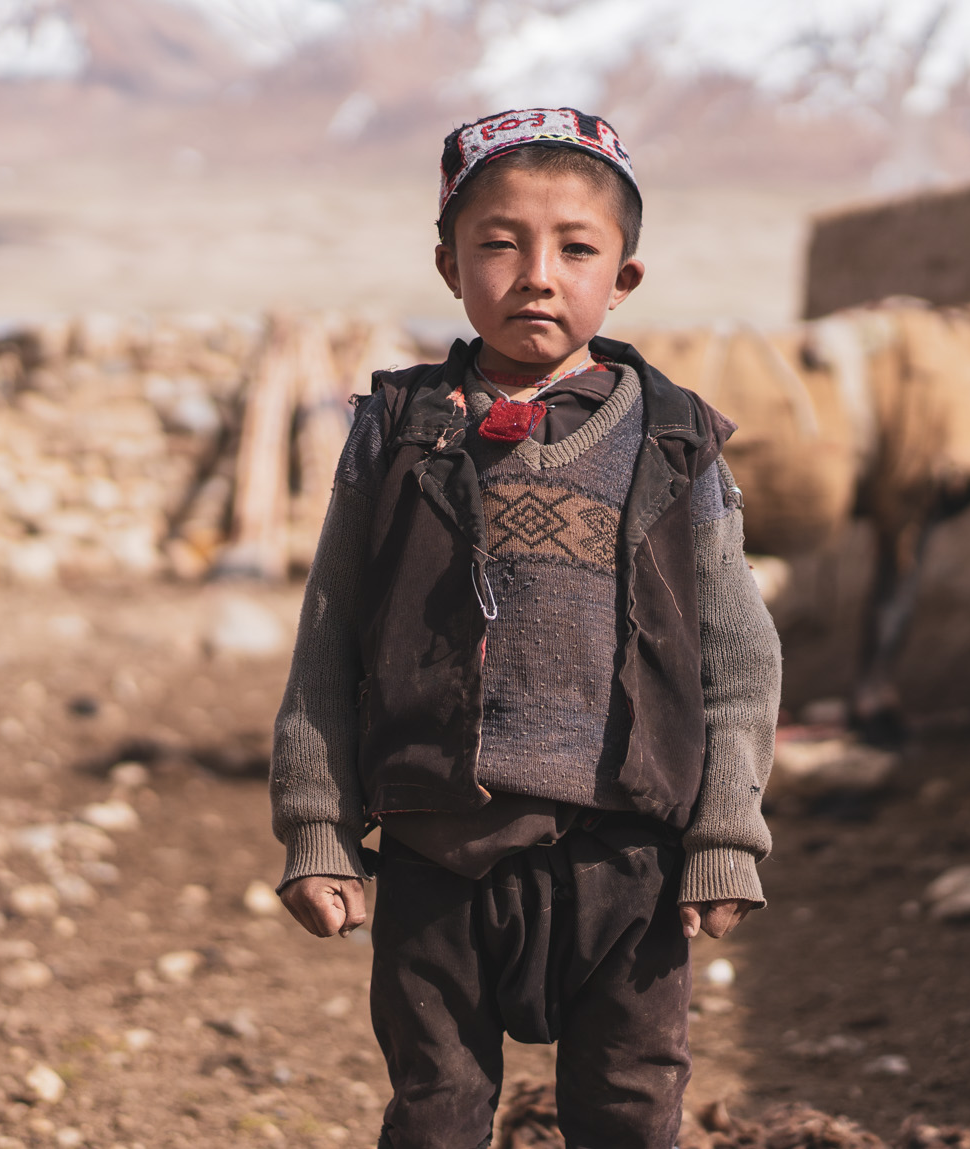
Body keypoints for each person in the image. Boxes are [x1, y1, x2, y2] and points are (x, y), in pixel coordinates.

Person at [270, 107, 782, 1149]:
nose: (535, 274)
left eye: (574, 248)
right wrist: (316, 827)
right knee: (435, 1112)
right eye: (497, 244)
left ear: (623, 277)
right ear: (449, 265)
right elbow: (330, 634)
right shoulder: (397, 432)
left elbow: (737, 655)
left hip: (625, 862)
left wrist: (725, 834)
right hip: (435, 850)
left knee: (632, 1112)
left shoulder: (674, 444)